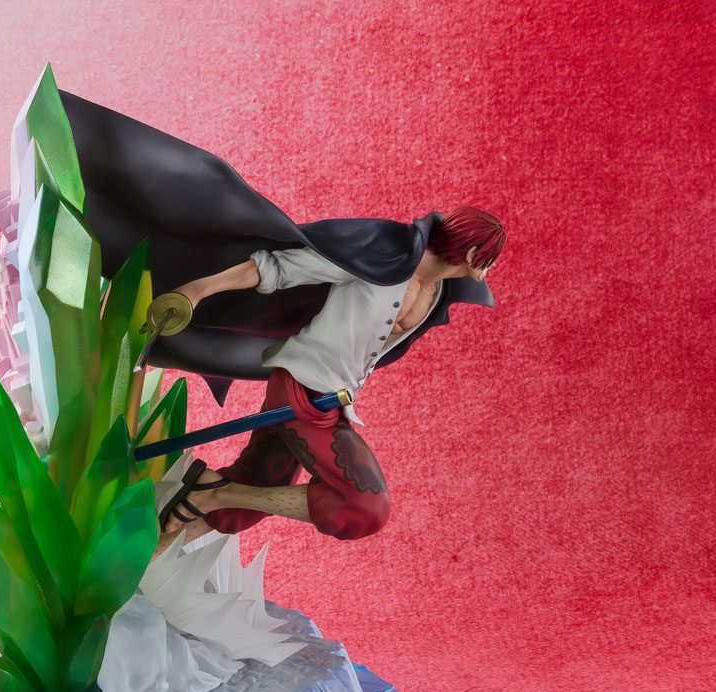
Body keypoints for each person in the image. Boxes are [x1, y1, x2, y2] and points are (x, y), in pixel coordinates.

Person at [55, 92, 504, 547]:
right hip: (303, 390)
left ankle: (147, 557)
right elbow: (279, 267)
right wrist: (199, 289)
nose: (485, 273)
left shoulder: (436, 294)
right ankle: (215, 492)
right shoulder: (383, 254)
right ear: (471, 254)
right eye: (487, 260)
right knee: (364, 508)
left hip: (331, 400)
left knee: (251, 499)